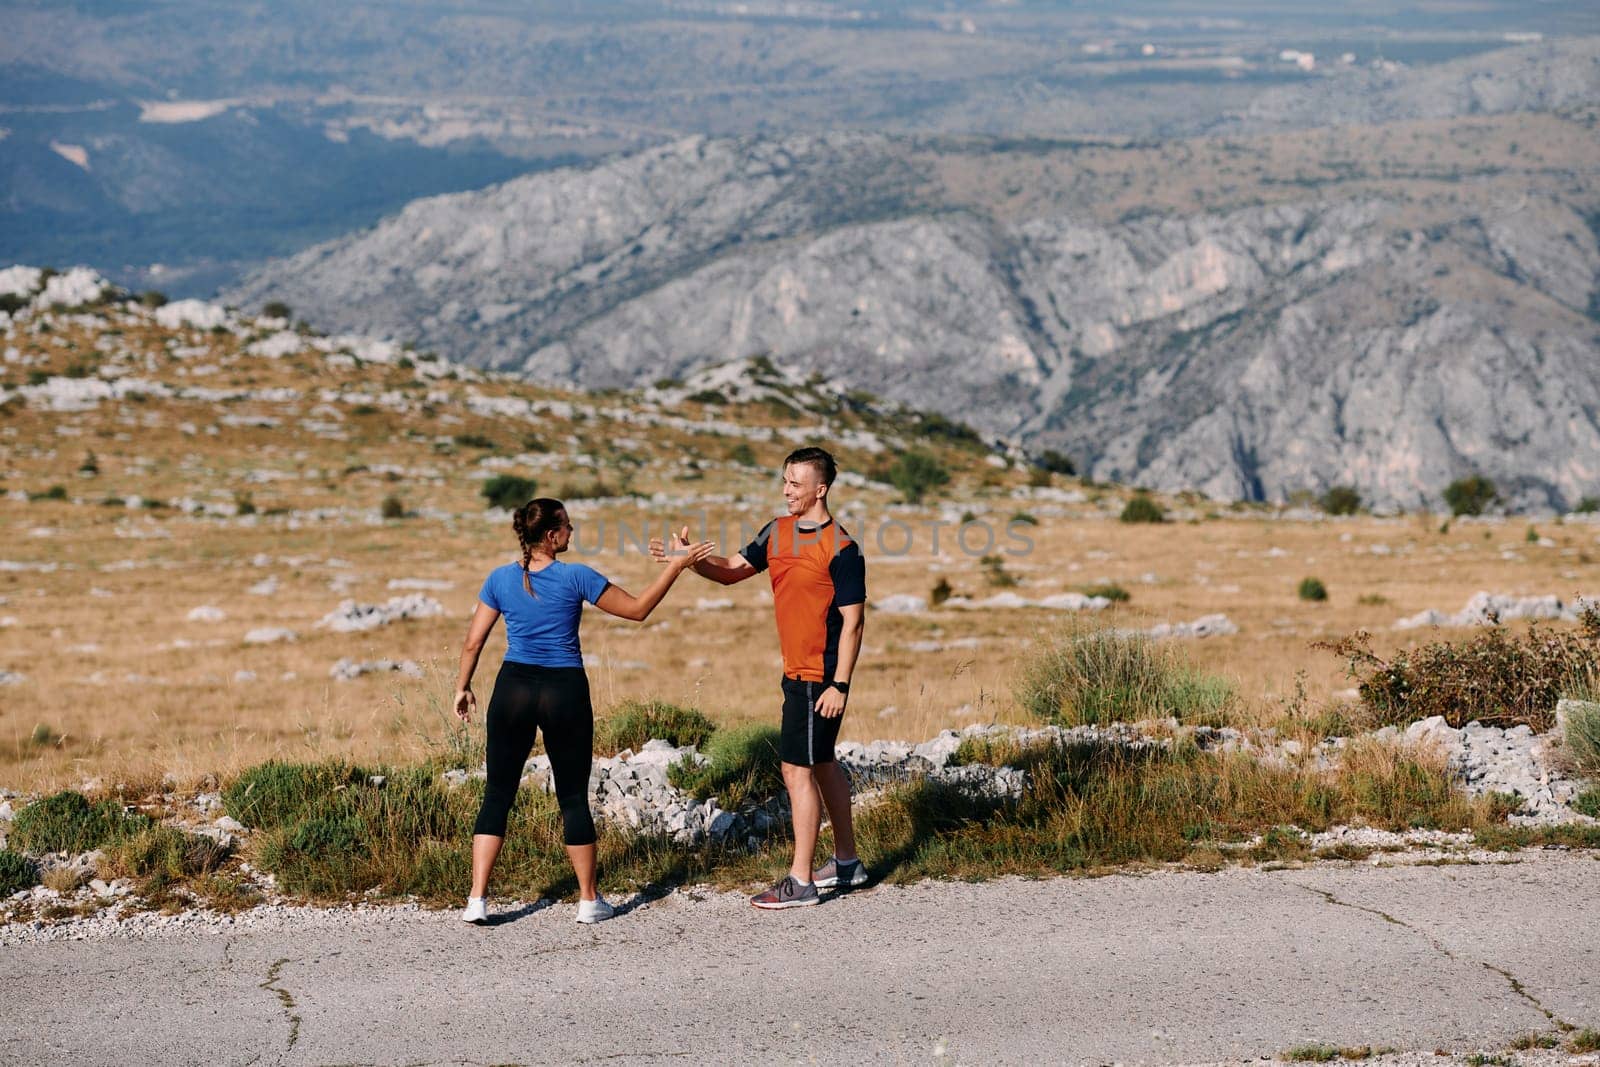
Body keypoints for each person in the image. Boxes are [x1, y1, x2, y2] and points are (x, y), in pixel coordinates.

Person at [453, 497, 714, 925]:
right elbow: (638, 610)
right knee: (572, 796)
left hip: (513, 688)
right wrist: (676, 566)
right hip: (564, 690)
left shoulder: (500, 579)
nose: (572, 533)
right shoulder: (577, 577)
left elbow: (472, 642)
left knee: (498, 793)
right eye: (568, 527)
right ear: (552, 536)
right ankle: (589, 901)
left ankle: (477, 900)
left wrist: (462, 687)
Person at [666, 446, 867, 909]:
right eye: (784, 482)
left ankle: (800, 881)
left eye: (795, 484)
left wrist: (840, 685)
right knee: (822, 763)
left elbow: (853, 623)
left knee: (797, 769)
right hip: (795, 673)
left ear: (820, 489)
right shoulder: (776, 532)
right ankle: (847, 862)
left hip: (820, 678)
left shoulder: (843, 549)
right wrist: (689, 561)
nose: (786, 490)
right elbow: (732, 571)